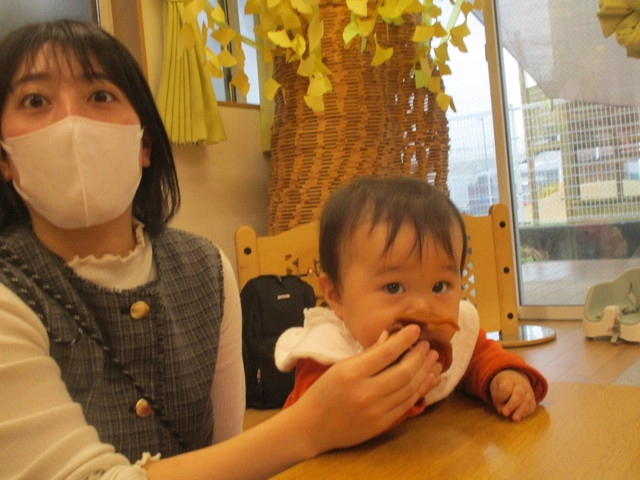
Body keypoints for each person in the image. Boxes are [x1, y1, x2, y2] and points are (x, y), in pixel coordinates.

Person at [0, 20, 442, 480]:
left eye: (99, 95)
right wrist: (310, 425)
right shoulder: (9, 294)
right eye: (35, 101)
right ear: (5, 156)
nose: (71, 123)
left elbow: (230, 453)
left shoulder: (205, 268)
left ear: (144, 144)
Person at [275, 176, 548, 426]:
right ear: (336, 296)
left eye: (439, 286)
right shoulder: (328, 355)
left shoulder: (452, 334)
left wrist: (503, 376)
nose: (422, 307)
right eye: (393, 287)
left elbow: (477, 355)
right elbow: (308, 425)